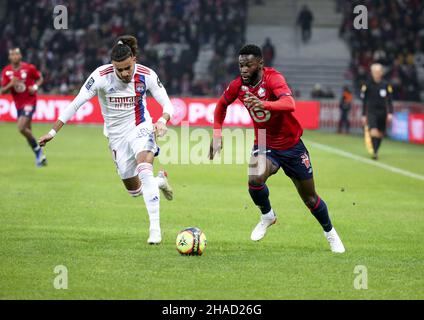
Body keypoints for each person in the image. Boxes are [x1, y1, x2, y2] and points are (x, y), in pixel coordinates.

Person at [209, 44, 345, 253]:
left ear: (260, 64)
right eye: (240, 65)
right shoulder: (238, 86)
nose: (243, 69)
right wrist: (217, 133)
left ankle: (330, 233)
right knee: (254, 179)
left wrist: (265, 104)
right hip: (264, 142)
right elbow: (221, 106)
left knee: (310, 198)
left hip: (292, 145)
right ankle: (267, 215)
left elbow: (290, 103)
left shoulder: (273, 79)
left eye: (248, 65)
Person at [38, 36, 174, 244]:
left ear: (134, 60)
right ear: (113, 66)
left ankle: (155, 231)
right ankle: (160, 181)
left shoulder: (146, 75)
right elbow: (75, 104)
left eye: (128, 68)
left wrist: (163, 120)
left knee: (144, 169)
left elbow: (167, 104)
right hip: (116, 136)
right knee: (134, 191)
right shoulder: (100, 76)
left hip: (140, 127)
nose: (124, 73)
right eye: (119, 70)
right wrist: (52, 132)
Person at [1, 48, 46, 167]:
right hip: (18, 105)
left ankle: (38, 152)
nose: (15, 56)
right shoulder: (6, 71)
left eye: (17, 54)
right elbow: (3, 91)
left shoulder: (29, 68)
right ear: (9, 57)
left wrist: (35, 88)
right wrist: (11, 83)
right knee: (28, 131)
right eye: (12, 54)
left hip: (30, 102)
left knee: (21, 128)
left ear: (20, 56)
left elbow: (40, 78)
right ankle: (40, 157)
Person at [360, 63, 393, 160]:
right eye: (375, 72)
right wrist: (363, 115)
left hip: (383, 112)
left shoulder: (386, 85)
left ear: (381, 72)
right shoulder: (367, 84)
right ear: (372, 73)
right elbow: (364, 101)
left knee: (380, 133)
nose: (377, 74)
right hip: (372, 112)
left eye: (378, 72)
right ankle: (375, 151)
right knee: (373, 131)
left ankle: (376, 149)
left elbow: (390, 100)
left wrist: (390, 112)